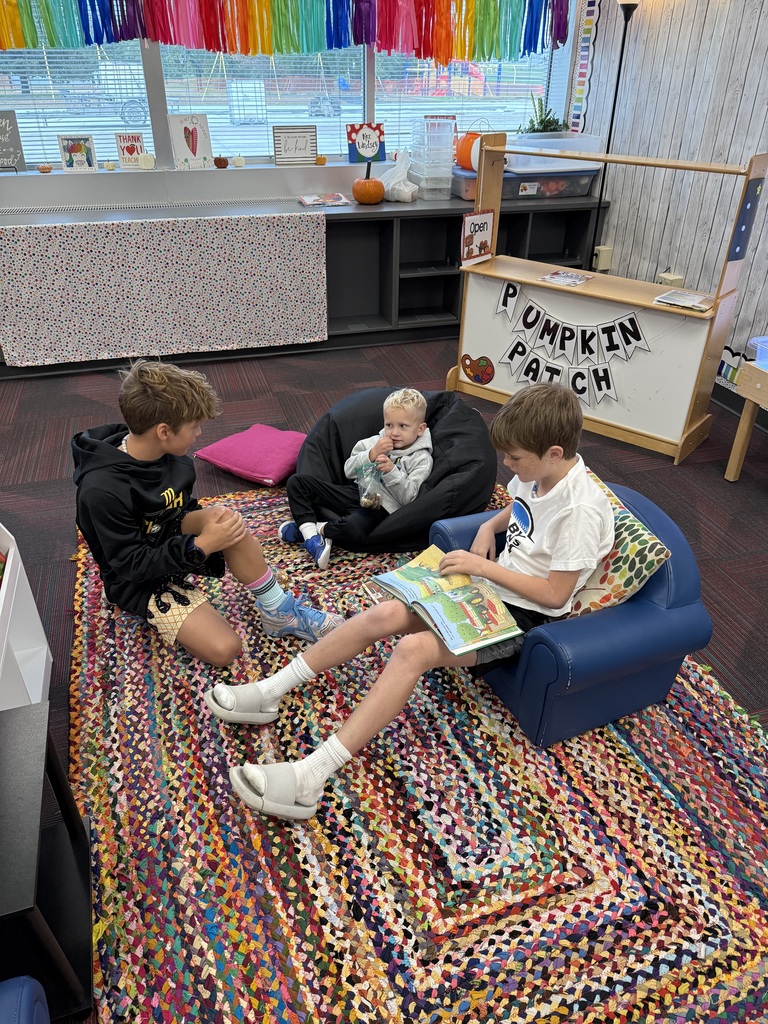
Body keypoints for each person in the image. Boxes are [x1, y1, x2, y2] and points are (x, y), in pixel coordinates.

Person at [204, 382, 615, 820]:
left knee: (411, 650)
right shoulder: (542, 473)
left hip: (524, 617)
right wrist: (487, 527)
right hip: (488, 589)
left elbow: (555, 594)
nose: (507, 466)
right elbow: (520, 504)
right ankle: (270, 692)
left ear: (554, 453)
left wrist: (483, 568)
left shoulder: (580, 512)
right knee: (384, 611)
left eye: (514, 458)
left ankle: (309, 779)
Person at [71, 359, 343, 668]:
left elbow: (179, 509)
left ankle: (278, 610)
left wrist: (211, 534)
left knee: (224, 518)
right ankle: (175, 598)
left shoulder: (173, 458)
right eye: (194, 426)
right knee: (225, 649)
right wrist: (200, 546)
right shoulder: (101, 490)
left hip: (164, 541)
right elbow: (129, 564)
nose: (199, 432)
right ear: (163, 431)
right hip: (134, 578)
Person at [279, 388, 434, 569]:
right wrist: (371, 454)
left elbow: (409, 499)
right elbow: (348, 471)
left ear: (420, 429)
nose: (394, 433)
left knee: (353, 530)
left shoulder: (421, 459)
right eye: (389, 425)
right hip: (355, 491)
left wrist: (392, 472)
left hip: (380, 509)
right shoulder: (373, 442)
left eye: (403, 426)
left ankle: (309, 529)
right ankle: (311, 537)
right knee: (297, 482)